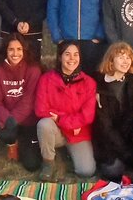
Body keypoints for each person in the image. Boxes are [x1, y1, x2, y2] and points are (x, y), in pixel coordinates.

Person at [35, 41, 97, 181]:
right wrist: (64, 121)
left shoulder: (89, 83)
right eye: (67, 54)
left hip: (78, 132)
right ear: (59, 57)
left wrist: (60, 118)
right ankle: (48, 162)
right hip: (57, 130)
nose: (72, 59)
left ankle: (67, 153)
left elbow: (87, 116)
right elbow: (41, 109)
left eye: (76, 55)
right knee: (43, 124)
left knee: (86, 171)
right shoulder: (46, 79)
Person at [0, 33, 43, 171]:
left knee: (32, 165)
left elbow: (29, 100)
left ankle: (21, 143)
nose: (15, 53)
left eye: (19, 49)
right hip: (7, 120)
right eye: (11, 49)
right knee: (6, 130)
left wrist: (14, 119)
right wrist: (7, 118)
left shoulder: (33, 70)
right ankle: (11, 143)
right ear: (5, 51)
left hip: (28, 121)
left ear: (24, 51)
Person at [92, 42, 133, 180]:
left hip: (128, 136)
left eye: (129, 57)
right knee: (113, 170)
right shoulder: (98, 85)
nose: (126, 61)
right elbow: (105, 127)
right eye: (121, 57)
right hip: (107, 141)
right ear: (111, 59)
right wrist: (127, 155)